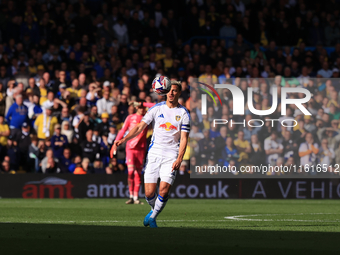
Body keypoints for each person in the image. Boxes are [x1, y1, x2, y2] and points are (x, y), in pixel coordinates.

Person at [111, 80, 190, 228]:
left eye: (175, 91)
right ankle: (153, 211)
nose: (171, 93)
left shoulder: (183, 113)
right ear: (165, 91)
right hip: (154, 153)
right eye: (169, 90)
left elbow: (184, 138)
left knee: (164, 189)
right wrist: (124, 139)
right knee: (148, 193)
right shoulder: (156, 109)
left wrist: (180, 158)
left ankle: (152, 217)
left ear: (179, 93)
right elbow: (140, 126)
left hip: (171, 154)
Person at [110, 99, 148, 204]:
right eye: (140, 107)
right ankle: (131, 196)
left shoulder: (147, 118)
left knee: (138, 174)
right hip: (130, 147)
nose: (142, 109)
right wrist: (116, 141)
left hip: (141, 148)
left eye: (143, 107)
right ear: (136, 107)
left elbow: (156, 105)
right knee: (131, 172)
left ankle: (136, 198)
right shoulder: (130, 117)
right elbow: (122, 130)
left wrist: (144, 103)